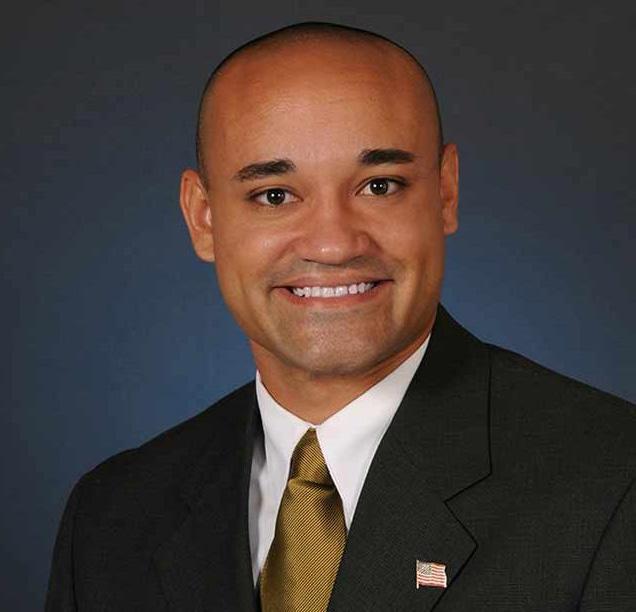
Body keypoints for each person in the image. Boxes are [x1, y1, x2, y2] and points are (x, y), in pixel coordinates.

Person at [46, 22, 635, 612]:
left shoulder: (613, 487)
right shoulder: (111, 518)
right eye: (275, 195)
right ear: (203, 218)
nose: (332, 244)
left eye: (379, 186)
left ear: (445, 192)